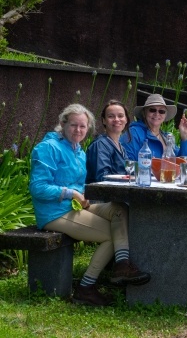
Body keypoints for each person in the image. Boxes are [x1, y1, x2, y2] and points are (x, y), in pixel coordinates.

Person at [29, 104, 150, 307]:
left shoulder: (79, 151)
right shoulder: (48, 148)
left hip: (75, 207)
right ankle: (86, 288)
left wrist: (82, 194)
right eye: (74, 125)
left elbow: (77, 184)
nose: (78, 130)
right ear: (62, 124)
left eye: (83, 127)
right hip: (54, 212)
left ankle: (121, 265)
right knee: (111, 235)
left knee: (119, 208)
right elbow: (38, 188)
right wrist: (72, 193)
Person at [121, 93, 187, 159]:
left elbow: (184, 163)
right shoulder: (133, 133)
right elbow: (128, 164)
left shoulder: (166, 137)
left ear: (165, 115)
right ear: (144, 113)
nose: (157, 114)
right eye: (152, 110)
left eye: (162, 111)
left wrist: (184, 136)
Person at [86, 100, 132, 183]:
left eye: (120, 116)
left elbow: (128, 172)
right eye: (111, 116)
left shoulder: (121, 147)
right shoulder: (100, 145)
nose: (116, 119)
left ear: (126, 120)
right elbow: (101, 178)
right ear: (104, 120)